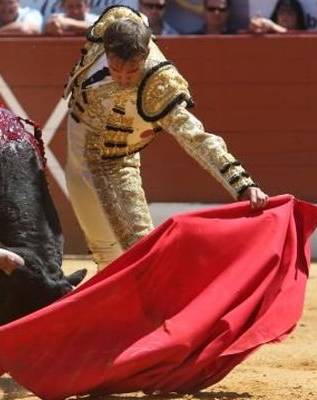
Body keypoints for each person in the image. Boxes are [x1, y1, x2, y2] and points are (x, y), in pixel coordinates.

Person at [63, 6, 268, 268]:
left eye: (132, 71)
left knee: (139, 250)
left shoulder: (159, 85)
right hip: (79, 142)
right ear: (106, 49)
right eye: (116, 70)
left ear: (146, 55)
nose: (124, 79)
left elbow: (195, 137)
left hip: (116, 158)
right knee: (102, 247)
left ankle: (145, 307)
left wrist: (242, 184)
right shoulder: (113, 24)